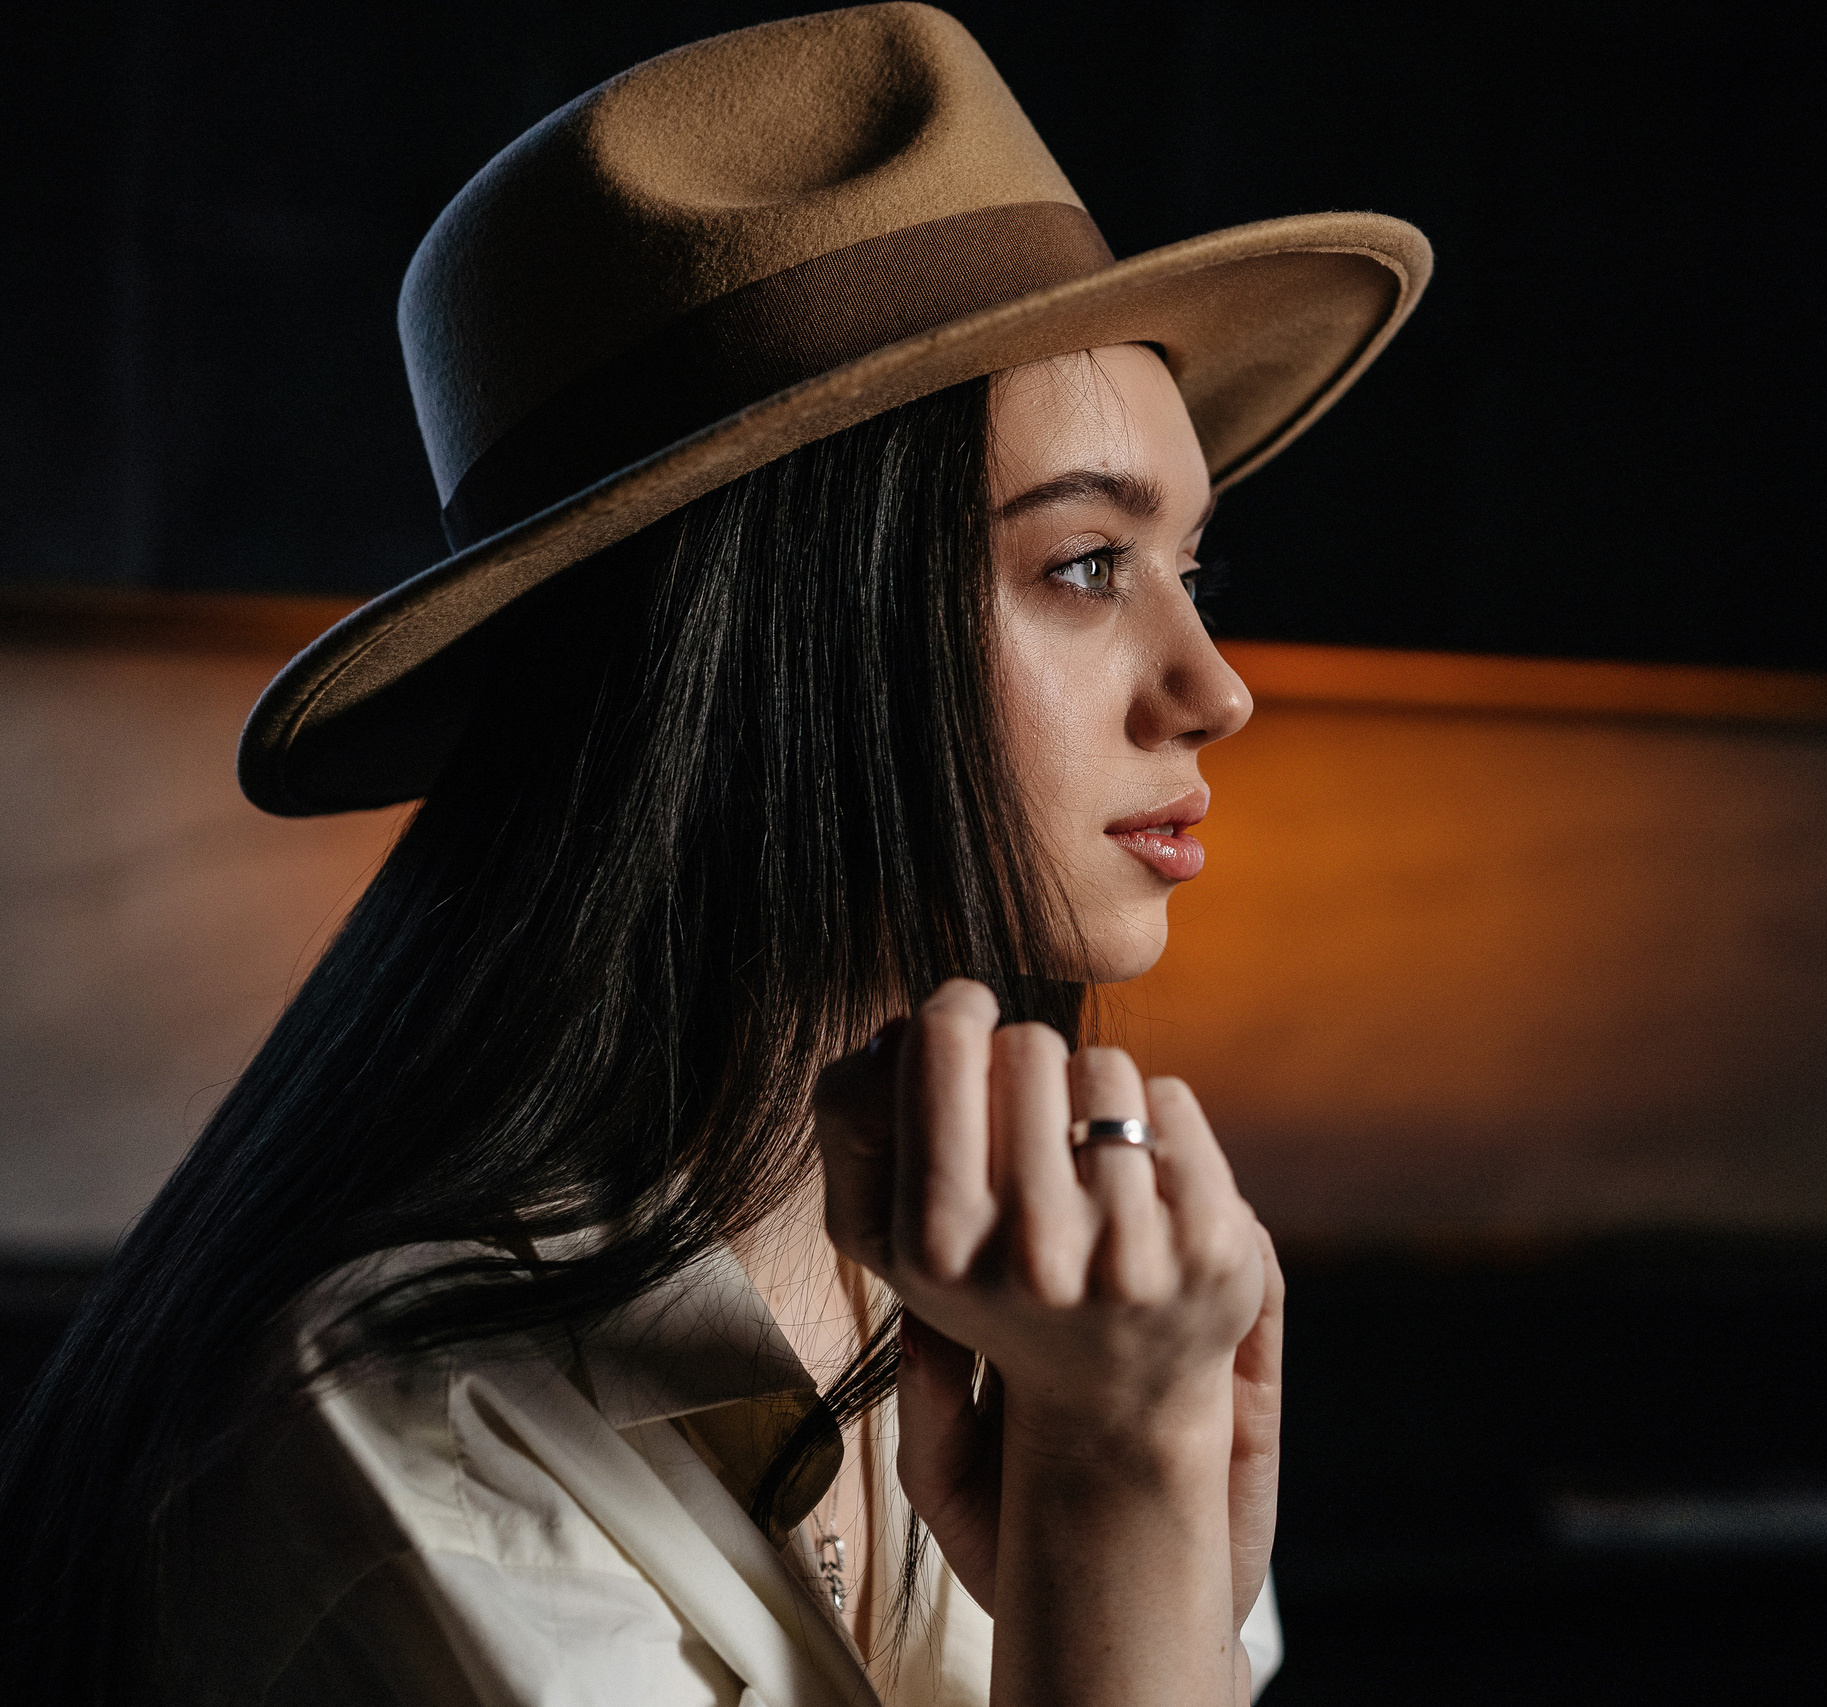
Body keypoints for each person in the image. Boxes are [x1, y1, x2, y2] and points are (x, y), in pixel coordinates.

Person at [0, 8, 1428, 1704]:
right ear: (773, 635)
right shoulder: (414, 1446)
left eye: (1193, 569)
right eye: (1084, 567)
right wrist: (1123, 1504)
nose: (1216, 690)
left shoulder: (1041, 1290)